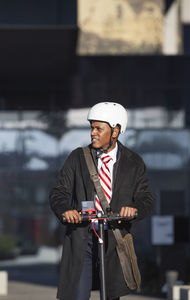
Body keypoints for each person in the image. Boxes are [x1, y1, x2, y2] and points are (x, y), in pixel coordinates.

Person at [49, 102, 154, 300]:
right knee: (76, 295)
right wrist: (65, 210)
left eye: (99, 128)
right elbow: (58, 192)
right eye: (92, 127)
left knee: (110, 295)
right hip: (82, 239)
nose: (93, 133)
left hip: (114, 240)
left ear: (115, 131)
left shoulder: (134, 162)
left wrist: (134, 209)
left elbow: (146, 198)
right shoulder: (77, 158)